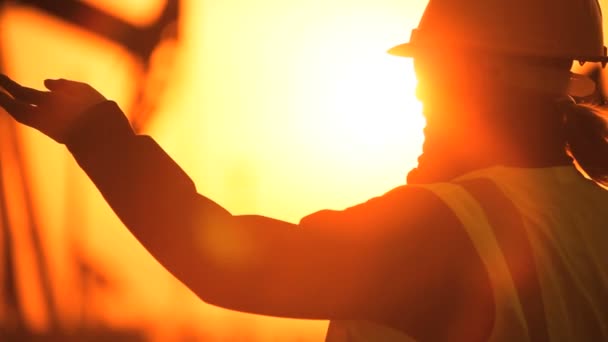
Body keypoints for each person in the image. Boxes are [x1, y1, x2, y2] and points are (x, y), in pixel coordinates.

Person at [1, 0, 608, 340]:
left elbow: (225, 266)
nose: (420, 95)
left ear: (488, 77)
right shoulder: (594, 214)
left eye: (431, 70)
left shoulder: (439, 230)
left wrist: (98, 137)